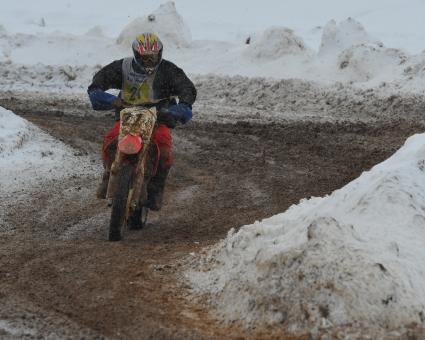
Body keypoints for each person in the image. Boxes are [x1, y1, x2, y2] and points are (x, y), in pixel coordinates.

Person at [87, 32, 197, 211]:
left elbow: (187, 88)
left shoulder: (169, 70)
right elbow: (98, 81)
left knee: (164, 148)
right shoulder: (122, 67)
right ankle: (108, 174)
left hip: (159, 116)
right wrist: (105, 97)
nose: (149, 62)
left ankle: (155, 190)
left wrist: (183, 106)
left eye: (152, 57)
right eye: (144, 58)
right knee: (110, 140)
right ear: (136, 55)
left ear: (160, 54)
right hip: (127, 113)